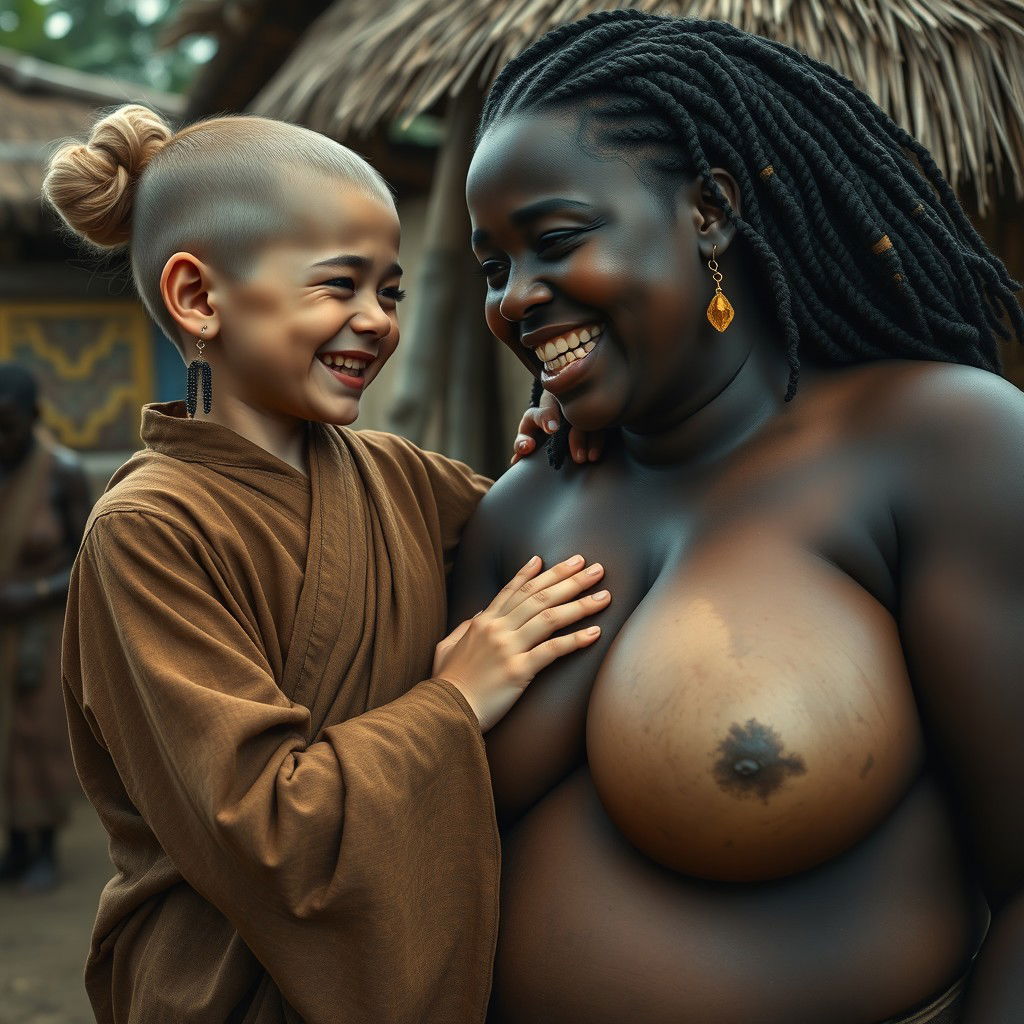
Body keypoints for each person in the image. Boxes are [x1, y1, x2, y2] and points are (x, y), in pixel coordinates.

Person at [457, 10, 1024, 1023]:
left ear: (709, 210)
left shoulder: (937, 445)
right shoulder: (517, 508)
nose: (514, 298)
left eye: (552, 241)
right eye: (491, 265)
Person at [42, 105, 610, 1023]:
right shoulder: (144, 533)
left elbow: (528, 536)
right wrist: (456, 701)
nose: (375, 322)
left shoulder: (395, 477)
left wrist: (548, 449)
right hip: (224, 986)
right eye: (338, 285)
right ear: (198, 298)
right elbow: (261, 825)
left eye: (389, 292)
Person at [0, 363, 90, 892]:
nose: (0, 437)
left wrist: (30, 593)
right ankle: (15, 845)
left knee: (37, 736)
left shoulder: (62, 473)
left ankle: (44, 849)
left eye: (8, 424)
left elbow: (88, 557)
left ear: (33, 418)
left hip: (41, 625)